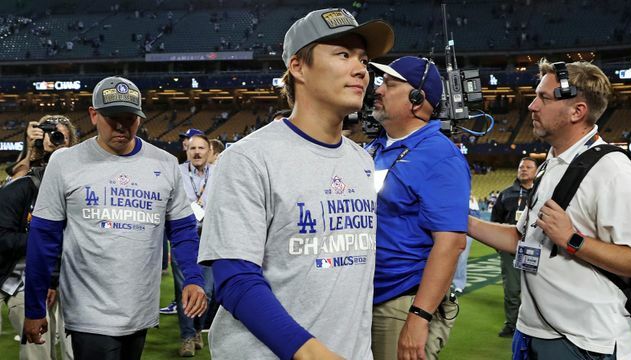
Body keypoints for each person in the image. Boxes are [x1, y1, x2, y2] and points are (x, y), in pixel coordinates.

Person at [198, 8, 393, 360]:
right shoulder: (248, 158)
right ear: (298, 67)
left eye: (363, 59)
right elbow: (235, 278)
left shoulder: (361, 160)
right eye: (343, 54)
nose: (361, 69)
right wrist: (308, 351)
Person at [23, 76, 208, 360]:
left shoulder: (165, 163)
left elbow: (182, 231)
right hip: (88, 312)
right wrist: (34, 307)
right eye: (112, 117)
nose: (122, 125)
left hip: (140, 308)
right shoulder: (65, 162)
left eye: (130, 117)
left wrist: (194, 278)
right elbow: (43, 238)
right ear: (94, 115)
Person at [467, 60, 631, 359]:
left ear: (577, 111)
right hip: (533, 332)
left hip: (586, 341)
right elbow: (524, 240)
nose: (532, 106)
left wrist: (573, 240)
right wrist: (460, 220)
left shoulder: (614, 171)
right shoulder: (552, 163)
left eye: (544, 98)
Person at [366, 56, 470, 360]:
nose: (379, 90)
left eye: (391, 84)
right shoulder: (373, 148)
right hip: (365, 298)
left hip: (399, 304)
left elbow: (450, 243)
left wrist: (419, 316)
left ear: (416, 99)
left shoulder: (440, 156)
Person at [0, 115, 78, 360]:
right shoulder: (22, 185)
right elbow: (3, 236)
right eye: (50, 137)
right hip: (23, 278)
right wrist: (30, 149)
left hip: (73, 278)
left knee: (74, 351)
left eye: (61, 138)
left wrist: (53, 280)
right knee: (39, 352)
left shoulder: (81, 185)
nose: (55, 143)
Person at [174, 133, 216, 357]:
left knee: (207, 291)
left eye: (201, 148)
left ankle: (198, 328)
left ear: (209, 151)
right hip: (185, 237)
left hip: (211, 238)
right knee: (186, 289)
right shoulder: (178, 173)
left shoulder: (219, 174)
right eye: (193, 148)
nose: (197, 152)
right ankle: (187, 336)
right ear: (187, 151)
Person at [490, 157, 537, 338]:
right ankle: (512, 324)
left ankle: (534, 327)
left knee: (536, 290)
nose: (523, 170)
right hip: (511, 250)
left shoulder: (543, 192)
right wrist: (500, 247)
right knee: (512, 290)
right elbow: (495, 221)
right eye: (521, 167)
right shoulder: (506, 194)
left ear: (536, 171)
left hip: (535, 249)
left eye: (528, 167)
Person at [452, 195, 481, 295]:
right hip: (450, 229)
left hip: (466, 231)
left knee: (462, 258)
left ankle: (459, 284)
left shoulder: (472, 199)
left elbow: (477, 216)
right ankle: (446, 282)